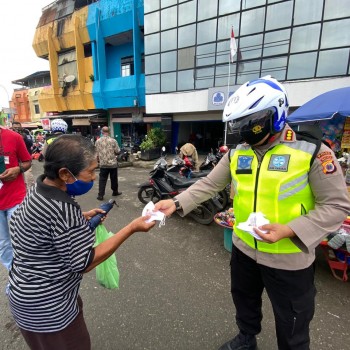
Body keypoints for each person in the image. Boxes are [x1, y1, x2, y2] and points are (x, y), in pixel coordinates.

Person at [154, 76, 350, 350]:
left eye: (251, 124)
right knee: (244, 300)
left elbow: (337, 206)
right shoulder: (238, 152)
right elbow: (211, 183)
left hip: (288, 258)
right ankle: (247, 338)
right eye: (239, 124)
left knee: (292, 320)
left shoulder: (314, 152)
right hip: (244, 248)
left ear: (275, 115)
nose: (244, 132)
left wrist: (290, 229)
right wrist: (176, 203)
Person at [8, 134, 155, 350]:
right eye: (91, 171)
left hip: (24, 298)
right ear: (65, 174)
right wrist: (130, 228)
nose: (95, 177)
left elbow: (43, 231)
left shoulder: (38, 190)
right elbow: (84, 262)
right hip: (49, 308)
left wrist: (80, 218)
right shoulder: (63, 209)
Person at [0, 125, 32, 271]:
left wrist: (18, 169)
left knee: (23, 238)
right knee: (3, 243)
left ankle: (27, 273)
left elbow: (27, 161)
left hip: (16, 198)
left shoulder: (14, 137)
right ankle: (14, 275)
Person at [95, 126, 122, 200]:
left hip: (103, 164)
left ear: (102, 132)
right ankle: (115, 192)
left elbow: (96, 153)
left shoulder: (98, 141)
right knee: (114, 179)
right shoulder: (113, 141)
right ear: (109, 132)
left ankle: (100, 195)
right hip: (112, 164)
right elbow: (118, 151)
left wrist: (98, 161)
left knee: (102, 180)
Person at [11, 122, 35, 190]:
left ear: (21, 127)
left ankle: (31, 190)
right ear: (12, 127)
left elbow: (30, 143)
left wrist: (24, 138)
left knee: (28, 176)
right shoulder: (10, 135)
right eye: (15, 128)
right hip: (15, 160)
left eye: (18, 127)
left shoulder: (26, 133)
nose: (16, 129)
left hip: (26, 159)